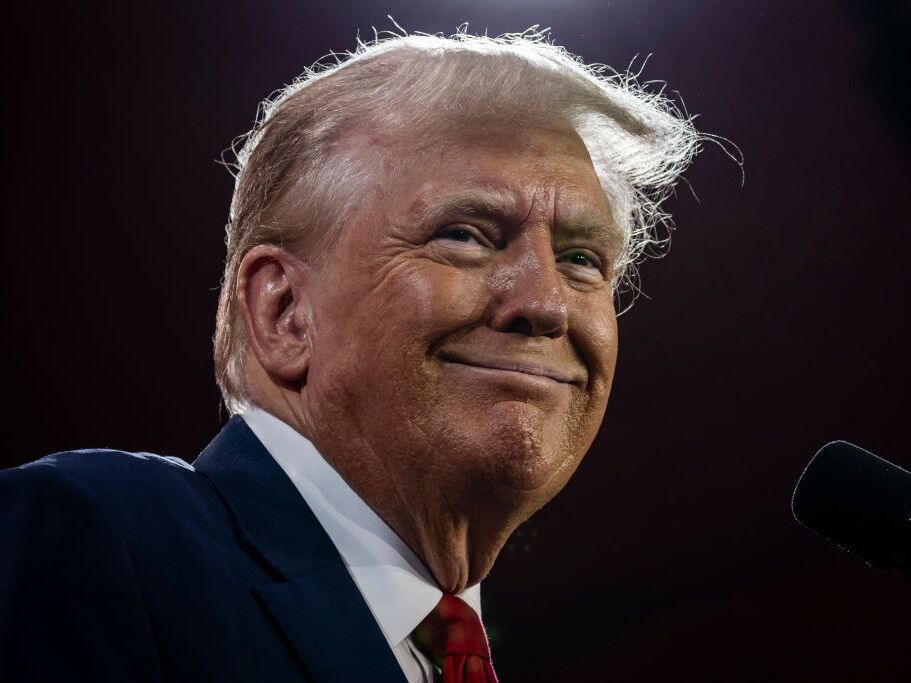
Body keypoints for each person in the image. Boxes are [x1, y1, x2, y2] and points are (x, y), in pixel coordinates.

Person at [0, 27, 700, 682]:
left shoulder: (448, 646)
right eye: (464, 234)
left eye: (581, 257)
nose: (544, 302)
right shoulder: (97, 539)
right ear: (284, 311)